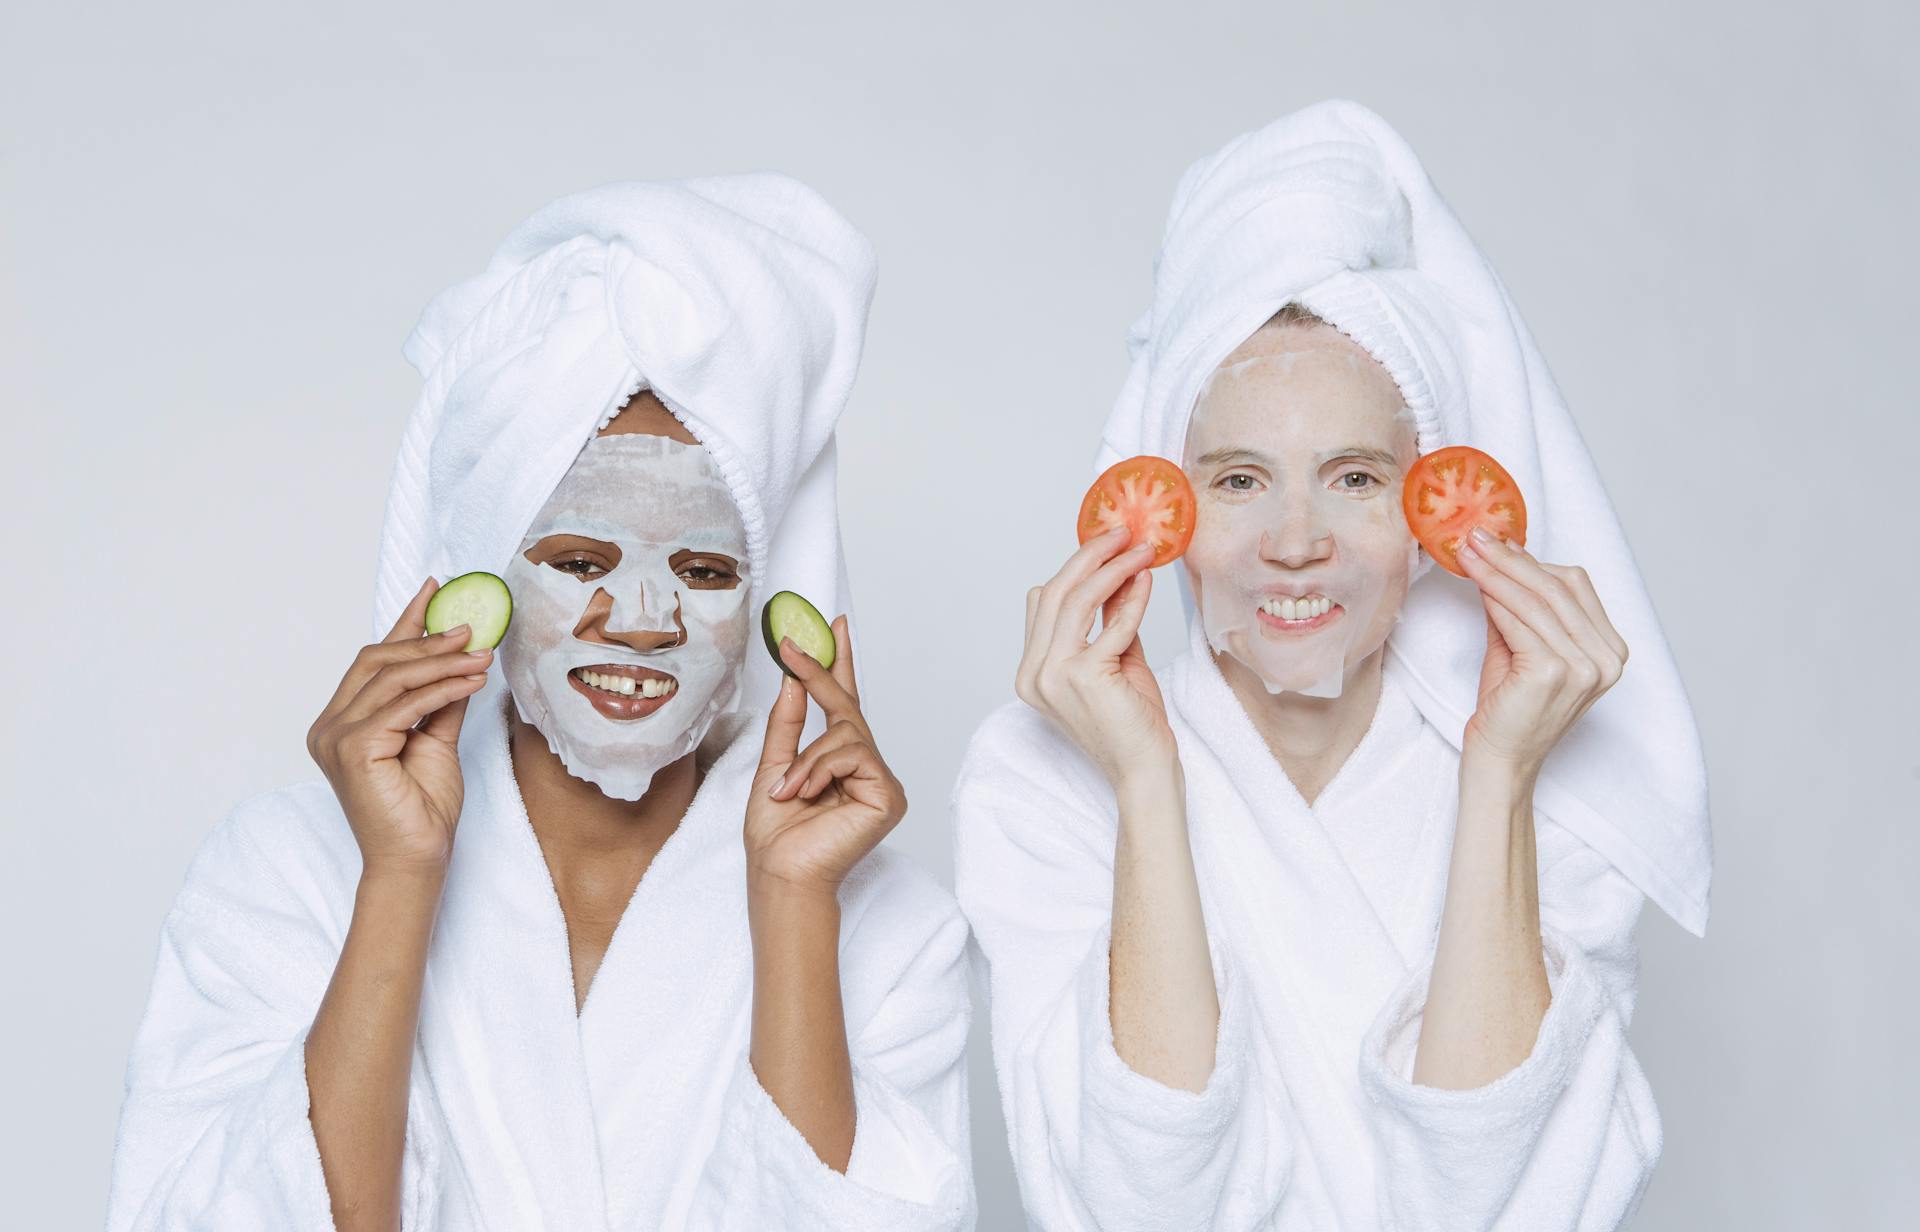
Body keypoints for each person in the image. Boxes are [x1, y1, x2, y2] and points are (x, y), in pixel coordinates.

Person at [107, 175, 976, 1230]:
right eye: (579, 557)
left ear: (766, 598)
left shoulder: (889, 928)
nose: (644, 617)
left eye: (703, 568)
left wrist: (794, 903)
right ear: (486, 577)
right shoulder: (284, 876)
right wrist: (397, 875)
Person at [954, 99, 1711, 1230]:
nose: (1294, 540)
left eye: (1355, 477)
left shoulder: (1568, 786)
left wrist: (1497, 772)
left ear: (1436, 514)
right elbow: (1137, 1203)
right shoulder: (1036, 781)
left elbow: (1497, 1203)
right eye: (1238, 480)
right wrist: (1147, 779)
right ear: (1160, 514)